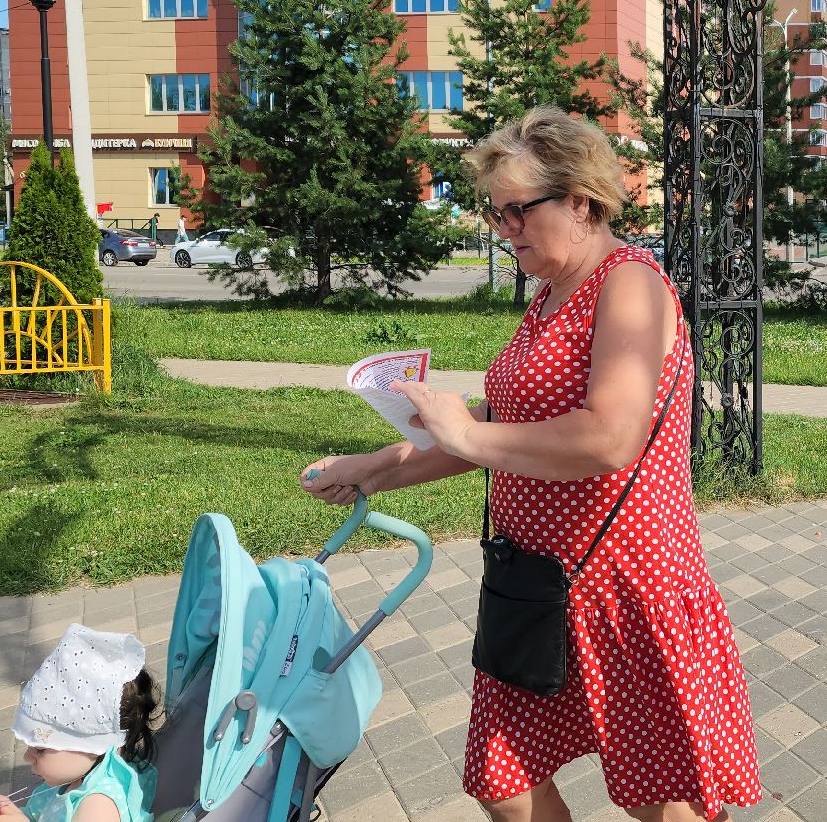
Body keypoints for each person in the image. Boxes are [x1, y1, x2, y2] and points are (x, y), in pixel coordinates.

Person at [301, 106, 760, 822]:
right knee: (502, 782)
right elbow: (496, 428)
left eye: (517, 211)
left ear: (580, 201)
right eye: (495, 215)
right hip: (539, 586)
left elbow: (610, 437)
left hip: (624, 588)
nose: (504, 230)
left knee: (662, 804)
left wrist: (468, 434)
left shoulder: (629, 284)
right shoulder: (550, 296)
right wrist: (377, 467)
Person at [0, 624, 160, 822]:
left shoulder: (99, 805)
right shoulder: (74, 778)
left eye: (41, 749)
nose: (27, 757)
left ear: (92, 744)